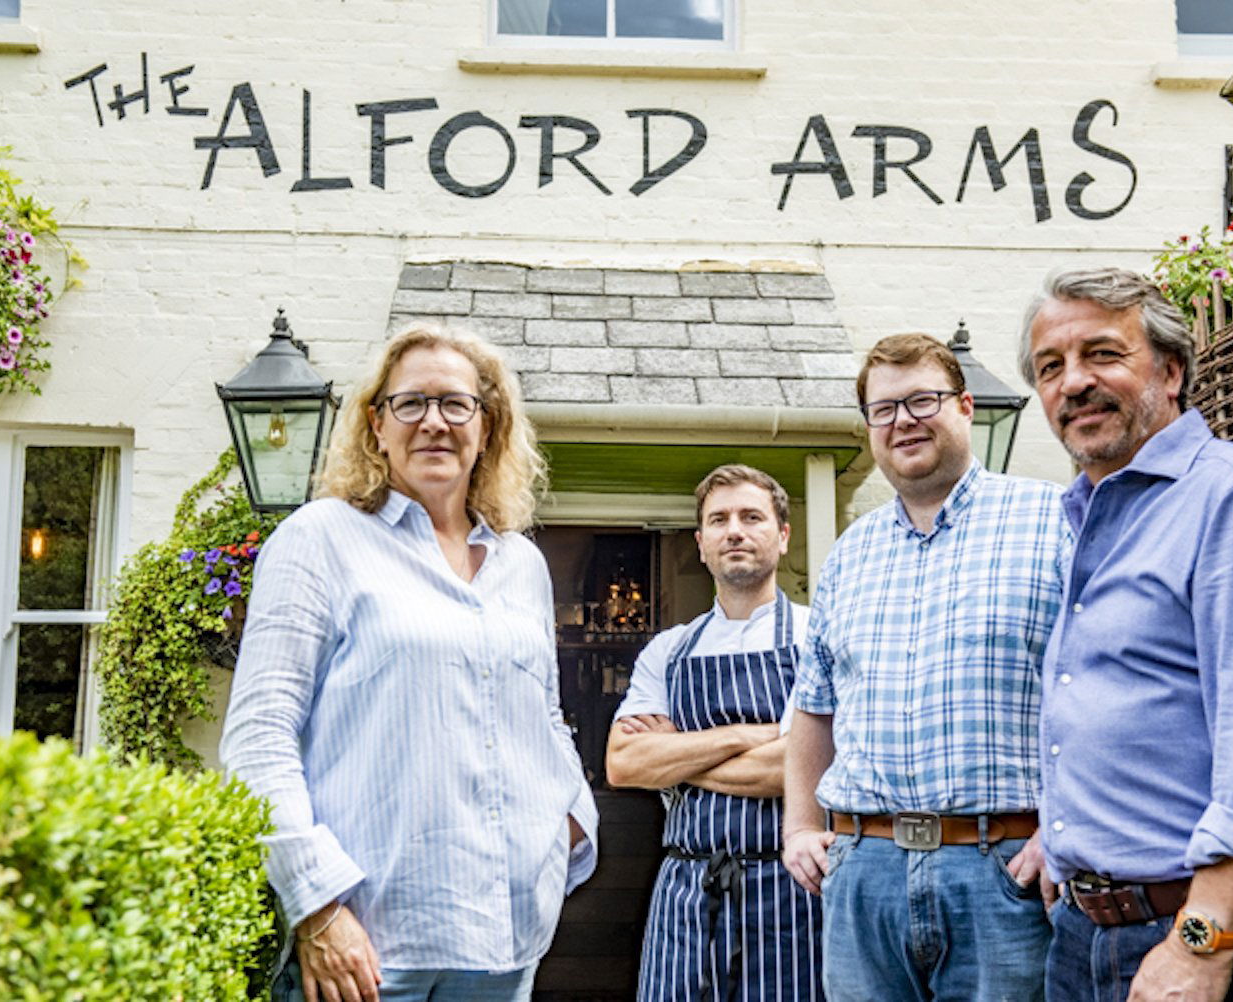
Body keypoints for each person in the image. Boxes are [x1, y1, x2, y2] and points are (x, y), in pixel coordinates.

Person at [220, 322, 598, 1002]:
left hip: (506, 941)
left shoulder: (522, 565)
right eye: (410, 403)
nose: (434, 422)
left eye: (456, 404)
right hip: (367, 953)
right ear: (376, 423)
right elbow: (258, 734)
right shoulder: (320, 539)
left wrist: (570, 829)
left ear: (487, 426)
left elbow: (543, 716)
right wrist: (317, 906)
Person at [1020, 267, 1233, 1002]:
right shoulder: (1089, 520)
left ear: (1171, 372)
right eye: (1051, 368)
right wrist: (1068, 832)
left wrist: (1205, 942)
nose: (1073, 383)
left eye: (1102, 354)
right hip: (1087, 936)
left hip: (1200, 937)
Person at [782, 333, 1072, 1001]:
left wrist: (1067, 825)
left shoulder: (1052, 520)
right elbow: (813, 704)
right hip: (864, 873)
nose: (903, 421)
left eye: (922, 400)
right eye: (884, 409)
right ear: (869, 427)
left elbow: (1097, 690)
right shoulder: (850, 554)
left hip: (1004, 870)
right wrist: (800, 825)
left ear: (966, 407)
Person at [605, 464, 822, 1002]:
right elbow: (625, 763)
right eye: (719, 520)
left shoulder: (817, 636)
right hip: (685, 888)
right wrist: (756, 735)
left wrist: (678, 755)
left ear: (782, 535)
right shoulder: (668, 650)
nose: (735, 530)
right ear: (701, 544)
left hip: (790, 887)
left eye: (752, 517)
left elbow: (804, 768)